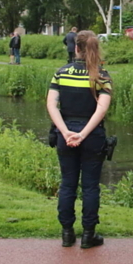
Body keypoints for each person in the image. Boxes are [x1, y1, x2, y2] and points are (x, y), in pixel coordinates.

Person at [47, 30, 112, 249]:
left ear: (75, 48)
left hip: (65, 133)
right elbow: (101, 111)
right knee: (91, 187)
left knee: (67, 184)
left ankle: (67, 233)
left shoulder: (61, 73)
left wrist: (64, 132)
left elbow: (51, 105)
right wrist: (83, 134)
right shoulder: (102, 76)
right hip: (92, 136)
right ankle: (88, 235)